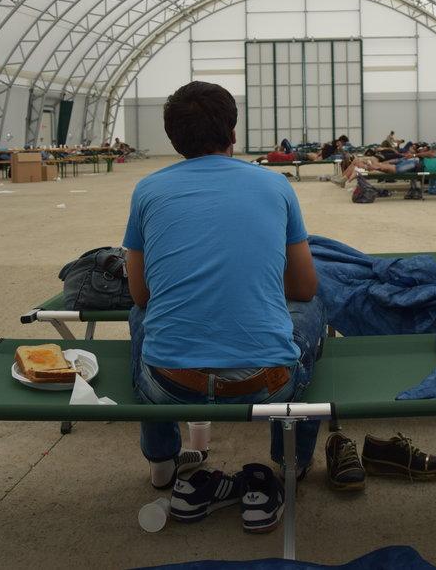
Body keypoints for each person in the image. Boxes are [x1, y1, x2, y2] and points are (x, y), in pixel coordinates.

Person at [123, 81, 326, 524]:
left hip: (171, 383)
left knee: (142, 316)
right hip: (266, 382)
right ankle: (290, 461)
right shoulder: (275, 186)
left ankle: (162, 459)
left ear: (174, 139)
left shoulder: (147, 191)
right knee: (313, 308)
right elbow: (304, 287)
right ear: (233, 132)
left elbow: (140, 295)